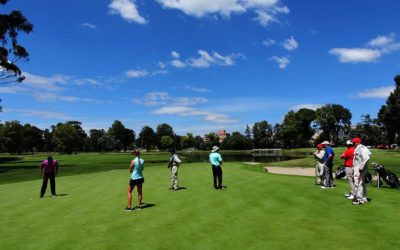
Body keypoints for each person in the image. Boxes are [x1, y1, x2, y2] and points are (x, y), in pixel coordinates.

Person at [351, 138, 371, 205]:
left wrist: (361, 167)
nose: (353, 144)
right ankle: (364, 198)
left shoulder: (362, 149)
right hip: (358, 168)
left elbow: (366, 158)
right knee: (362, 184)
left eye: (353, 142)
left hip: (360, 169)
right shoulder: (358, 148)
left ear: (357, 142)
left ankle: (359, 199)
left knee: (358, 183)